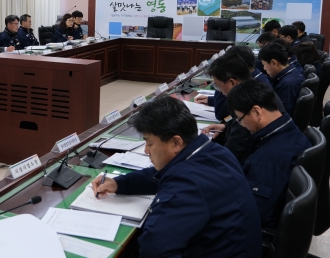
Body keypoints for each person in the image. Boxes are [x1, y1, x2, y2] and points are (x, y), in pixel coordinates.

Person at [91, 97, 261, 258]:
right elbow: (161, 174)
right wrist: (119, 183)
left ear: (176, 143)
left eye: (150, 143)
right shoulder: (215, 152)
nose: (146, 150)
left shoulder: (188, 185)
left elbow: (154, 248)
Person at [226, 79, 311, 228]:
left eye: (240, 119)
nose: (242, 125)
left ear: (257, 111)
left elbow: (250, 215)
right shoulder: (290, 130)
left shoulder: (266, 161)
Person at [199, 54, 285, 163]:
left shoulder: (247, 104)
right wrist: (225, 126)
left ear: (232, 82)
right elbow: (233, 120)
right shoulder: (255, 88)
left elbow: (229, 155)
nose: (219, 90)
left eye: (217, 86)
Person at [259, 42, 305, 117]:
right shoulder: (292, 72)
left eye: (264, 64)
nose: (264, 68)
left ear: (274, 63)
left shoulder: (286, 85)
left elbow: (280, 115)